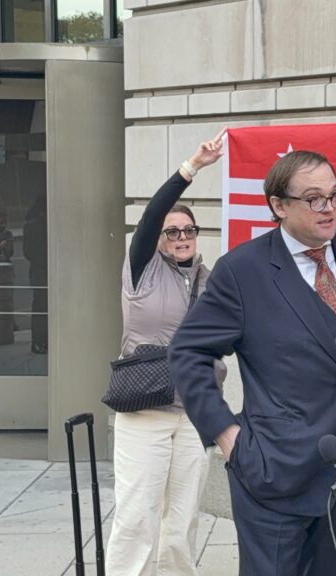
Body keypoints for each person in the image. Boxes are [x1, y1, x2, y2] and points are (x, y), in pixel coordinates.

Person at [170, 150, 336, 575]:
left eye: (334, 195)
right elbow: (188, 352)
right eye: (314, 199)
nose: (329, 208)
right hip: (274, 471)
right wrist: (227, 436)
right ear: (279, 205)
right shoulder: (242, 271)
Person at [104, 130, 227, 576]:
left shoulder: (212, 280)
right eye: (171, 231)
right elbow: (154, 212)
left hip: (194, 412)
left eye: (188, 230)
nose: (180, 237)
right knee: (137, 519)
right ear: (158, 238)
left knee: (181, 524)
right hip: (145, 412)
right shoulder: (142, 270)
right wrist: (192, 168)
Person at [23, 194, 47, 354]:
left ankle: (39, 341)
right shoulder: (36, 226)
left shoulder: (31, 225)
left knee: (40, 307)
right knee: (41, 307)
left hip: (39, 272)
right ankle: (39, 341)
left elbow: (28, 252)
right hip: (41, 272)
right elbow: (30, 251)